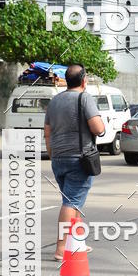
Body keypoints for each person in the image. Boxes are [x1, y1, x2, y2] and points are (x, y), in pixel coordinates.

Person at [44, 64, 104, 260]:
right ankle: (61, 248)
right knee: (71, 203)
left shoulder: (54, 101)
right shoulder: (84, 98)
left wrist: (53, 155)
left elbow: (47, 132)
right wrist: (102, 127)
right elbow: (97, 128)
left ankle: (76, 242)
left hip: (58, 158)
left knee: (73, 201)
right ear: (84, 80)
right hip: (79, 158)